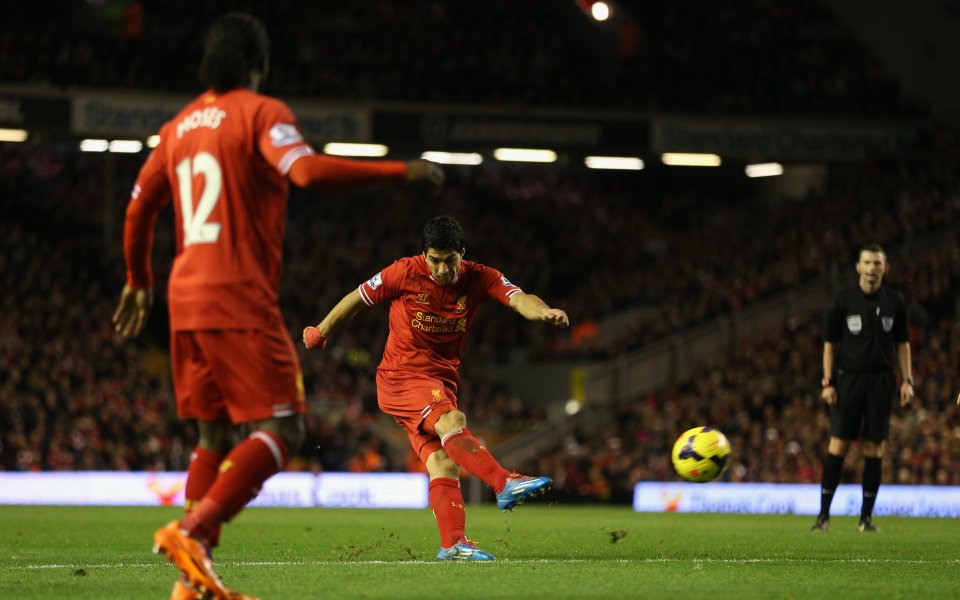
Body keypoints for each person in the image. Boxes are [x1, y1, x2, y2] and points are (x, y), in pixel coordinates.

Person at [112, 12, 443, 600]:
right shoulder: (262, 112)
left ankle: (190, 584)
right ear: (257, 66)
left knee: (212, 436)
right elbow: (308, 172)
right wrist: (403, 171)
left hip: (183, 300)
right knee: (285, 428)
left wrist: (138, 280)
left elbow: (139, 211)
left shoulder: (178, 126)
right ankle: (192, 530)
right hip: (237, 295)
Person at [302, 215, 568, 561]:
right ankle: (504, 483)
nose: (442, 269)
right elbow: (358, 297)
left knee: (443, 463)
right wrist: (320, 332)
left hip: (441, 380)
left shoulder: (481, 277)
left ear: (462, 254)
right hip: (401, 377)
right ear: (424, 255)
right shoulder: (404, 272)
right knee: (452, 421)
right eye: (435, 260)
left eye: (450, 260)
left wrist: (544, 312)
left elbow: (518, 297)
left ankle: (453, 544)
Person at [812, 243, 914, 533]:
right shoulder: (842, 300)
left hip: (882, 380)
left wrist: (907, 380)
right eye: (867, 263)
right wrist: (828, 382)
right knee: (839, 445)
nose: (872, 269)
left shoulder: (896, 301)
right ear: (858, 267)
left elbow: (902, 344)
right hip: (849, 380)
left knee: (874, 448)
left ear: (885, 268)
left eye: (877, 264)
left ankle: (865, 519)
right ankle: (823, 517)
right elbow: (830, 346)